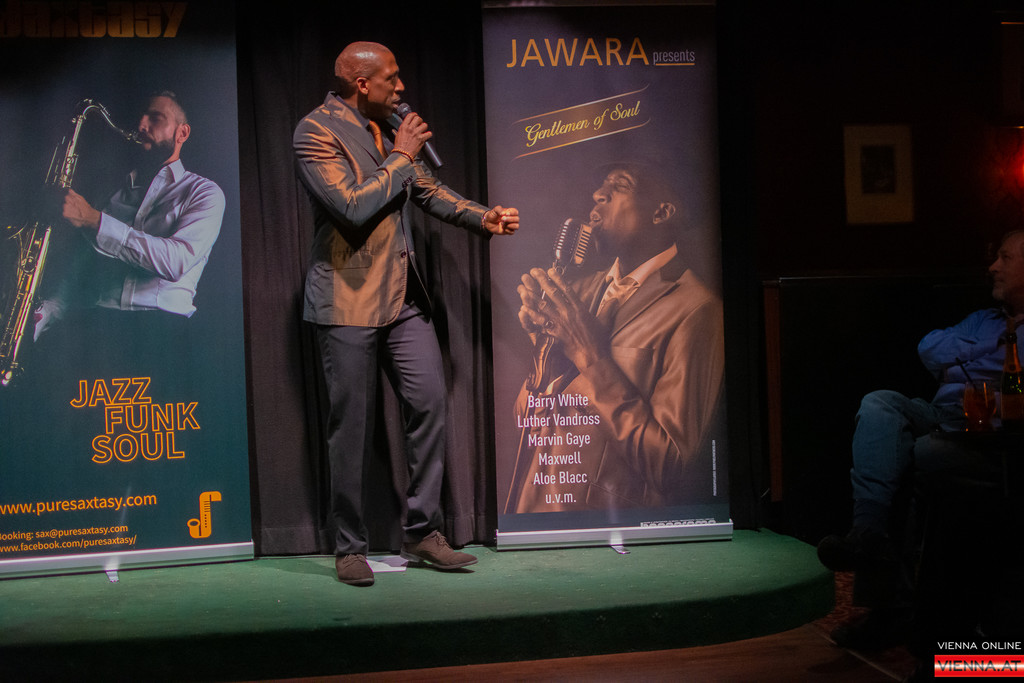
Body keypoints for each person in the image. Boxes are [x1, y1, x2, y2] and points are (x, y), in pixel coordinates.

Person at [293, 41, 519, 586]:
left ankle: (421, 530)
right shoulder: (315, 131)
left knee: (430, 402)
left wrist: (482, 217)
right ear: (361, 83)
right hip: (347, 299)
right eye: (391, 79)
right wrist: (400, 154)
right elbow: (351, 206)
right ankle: (349, 546)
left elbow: (426, 189)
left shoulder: (388, 128)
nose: (401, 88)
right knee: (350, 428)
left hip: (403, 298)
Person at [816, 230, 1024, 648]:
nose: (992, 267)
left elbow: (1012, 397)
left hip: (995, 434)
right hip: (941, 412)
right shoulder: (984, 320)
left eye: (1004, 258)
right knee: (880, 403)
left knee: (922, 456)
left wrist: (966, 362)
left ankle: (896, 612)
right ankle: (868, 533)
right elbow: (930, 348)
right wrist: (991, 342)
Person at [505, 162, 724, 514]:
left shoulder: (698, 310)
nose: (598, 194)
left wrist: (591, 358)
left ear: (661, 212)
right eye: (601, 185)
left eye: (620, 185)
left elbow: (669, 465)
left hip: (602, 528)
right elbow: (527, 423)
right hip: (533, 515)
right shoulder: (577, 292)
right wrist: (542, 353)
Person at [34, 91, 225, 336]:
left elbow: (176, 262)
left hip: (165, 327)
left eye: (155, 118)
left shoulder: (204, 192)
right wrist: (50, 310)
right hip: (98, 322)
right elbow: (83, 268)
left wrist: (95, 221)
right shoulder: (113, 190)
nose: (141, 125)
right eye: (141, 117)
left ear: (182, 133)